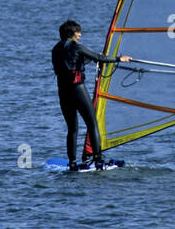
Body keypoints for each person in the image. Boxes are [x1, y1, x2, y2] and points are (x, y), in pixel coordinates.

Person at [51, 20, 131, 171]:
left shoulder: (55, 49)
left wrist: (92, 57)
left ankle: (72, 162)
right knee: (92, 123)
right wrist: (119, 59)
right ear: (72, 33)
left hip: (63, 92)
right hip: (78, 90)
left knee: (72, 128)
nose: (80, 34)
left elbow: (73, 62)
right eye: (78, 32)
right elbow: (99, 59)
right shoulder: (77, 47)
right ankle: (98, 159)